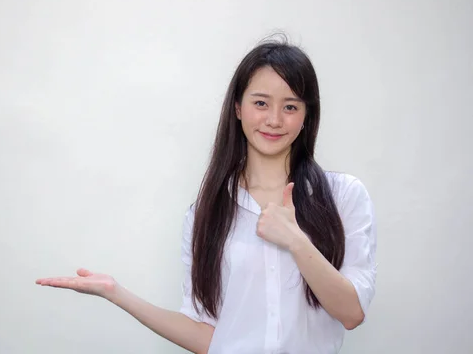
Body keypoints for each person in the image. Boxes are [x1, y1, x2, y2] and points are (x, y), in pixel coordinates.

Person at [36, 37, 378, 354]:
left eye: (290, 107)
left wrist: (296, 241)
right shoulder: (207, 214)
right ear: (238, 108)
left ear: (306, 116)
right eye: (261, 103)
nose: (274, 120)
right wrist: (117, 293)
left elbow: (351, 313)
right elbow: (209, 335)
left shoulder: (343, 196)